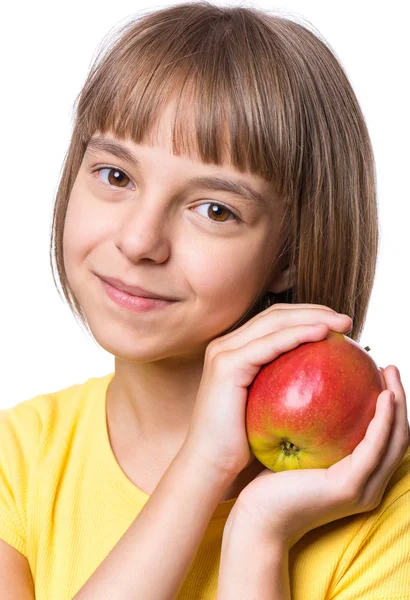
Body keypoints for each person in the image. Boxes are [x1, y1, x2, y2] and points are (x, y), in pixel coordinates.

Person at [0, 2, 409, 598]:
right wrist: (201, 469)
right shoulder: (18, 461)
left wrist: (260, 534)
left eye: (215, 209)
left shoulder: (383, 507)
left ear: (291, 252)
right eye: (116, 176)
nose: (139, 241)